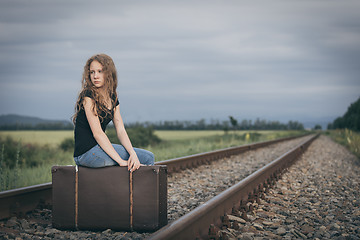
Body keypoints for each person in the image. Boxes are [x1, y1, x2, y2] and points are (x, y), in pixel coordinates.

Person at [72, 54, 154, 171]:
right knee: (136, 162)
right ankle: (134, 189)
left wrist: (132, 153)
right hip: (86, 153)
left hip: (99, 149)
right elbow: (98, 134)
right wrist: (121, 161)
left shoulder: (112, 97)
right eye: (92, 72)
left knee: (147, 157)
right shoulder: (88, 96)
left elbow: (120, 130)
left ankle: (135, 189)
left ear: (109, 73)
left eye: (100, 71)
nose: (95, 76)